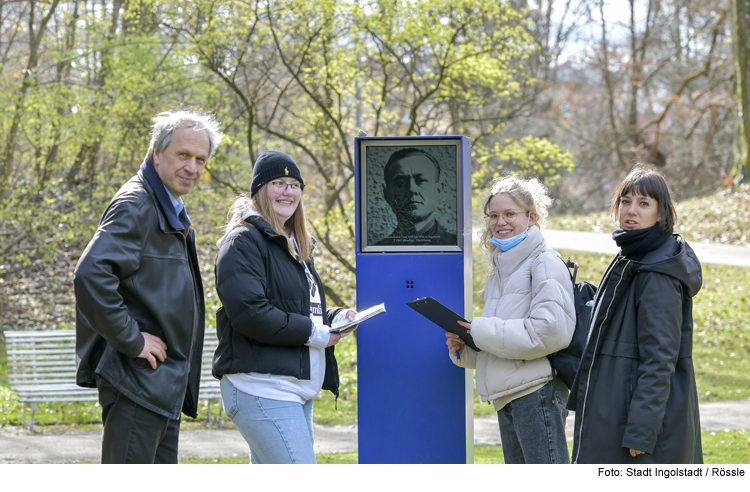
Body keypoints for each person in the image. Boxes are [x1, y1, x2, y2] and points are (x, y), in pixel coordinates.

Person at [74, 110, 224, 463]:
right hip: (137, 381)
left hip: (159, 383)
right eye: (183, 155)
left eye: (200, 160)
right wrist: (132, 338)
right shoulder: (138, 204)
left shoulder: (168, 205)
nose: (193, 168)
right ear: (157, 152)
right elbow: (90, 275)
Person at [212, 150, 357, 464]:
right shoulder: (243, 242)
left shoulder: (295, 245)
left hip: (294, 391)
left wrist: (336, 318)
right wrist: (317, 334)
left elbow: (298, 308)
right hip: (262, 387)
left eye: (294, 185)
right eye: (278, 182)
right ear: (259, 190)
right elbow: (251, 314)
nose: (288, 191)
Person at [568, 165, 703, 464]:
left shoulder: (657, 272)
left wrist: (641, 431)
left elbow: (660, 358)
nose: (631, 210)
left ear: (662, 213)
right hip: (615, 411)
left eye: (644, 203)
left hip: (637, 427)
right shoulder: (630, 257)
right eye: (625, 201)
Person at [446, 175, 575, 464]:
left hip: (537, 393)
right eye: (493, 215)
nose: (500, 222)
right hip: (509, 395)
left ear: (532, 217)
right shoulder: (502, 267)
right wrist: (466, 347)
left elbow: (548, 332)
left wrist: (479, 329)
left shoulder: (544, 262)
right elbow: (504, 342)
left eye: (509, 214)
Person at [376, 148, 455, 245]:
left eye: (421, 180)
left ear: (439, 190)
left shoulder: (455, 245)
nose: (412, 189)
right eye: (401, 182)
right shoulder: (378, 249)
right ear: (387, 195)